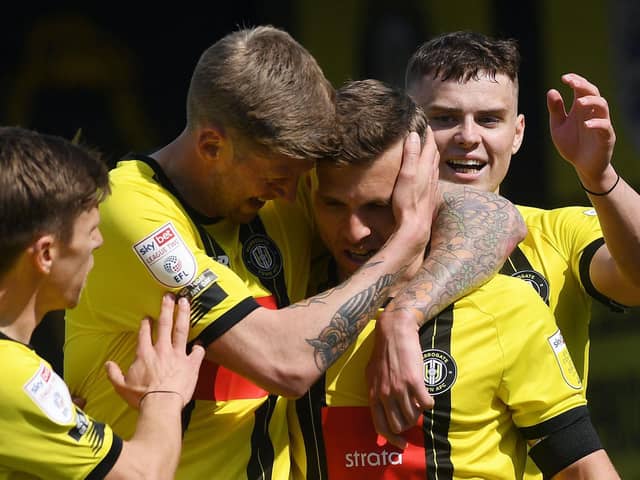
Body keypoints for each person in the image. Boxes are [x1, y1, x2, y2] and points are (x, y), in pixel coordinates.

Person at [64, 26, 526, 479]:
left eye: (300, 174)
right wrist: (405, 244)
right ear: (212, 145)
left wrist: (407, 310)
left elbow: (495, 218)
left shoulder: (275, 195)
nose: (290, 192)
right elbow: (283, 363)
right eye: (278, 173)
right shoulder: (132, 212)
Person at [290, 78, 619, 479]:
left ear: (426, 189)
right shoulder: (291, 288)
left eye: (378, 206)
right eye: (334, 204)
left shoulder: (506, 307)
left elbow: (585, 470)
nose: (356, 230)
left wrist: (402, 314)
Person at [368, 30, 640, 478]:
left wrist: (601, 175)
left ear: (517, 134)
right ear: (406, 127)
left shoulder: (557, 231)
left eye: (489, 120)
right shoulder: (360, 237)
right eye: (444, 118)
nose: (468, 137)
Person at [0, 126, 205, 479]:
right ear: (46, 254)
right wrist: (164, 395)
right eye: (91, 233)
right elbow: (145, 474)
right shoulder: (10, 377)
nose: (99, 244)